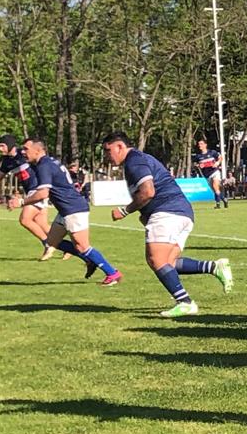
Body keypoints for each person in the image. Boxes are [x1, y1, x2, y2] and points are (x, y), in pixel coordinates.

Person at [102, 133, 233, 313]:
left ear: (119, 147)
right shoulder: (137, 160)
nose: (106, 156)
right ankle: (214, 266)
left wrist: (124, 211)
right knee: (169, 262)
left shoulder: (134, 161)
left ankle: (185, 303)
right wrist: (145, 214)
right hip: (182, 212)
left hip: (167, 211)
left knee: (156, 259)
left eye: (108, 151)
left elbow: (148, 192)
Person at [23, 137, 122, 283]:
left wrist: (21, 201)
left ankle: (112, 273)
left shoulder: (44, 165)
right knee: (51, 242)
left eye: (26, 149)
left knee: (83, 246)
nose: (23, 151)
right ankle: (90, 260)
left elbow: (43, 193)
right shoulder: (48, 162)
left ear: (38, 150)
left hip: (73, 208)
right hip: (65, 209)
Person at [0, 134, 67, 261]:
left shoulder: (25, 154)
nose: (0, 149)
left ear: (10, 145)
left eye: (2, 146)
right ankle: (69, 248)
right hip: (30, 191)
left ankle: (48, 245)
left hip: (38, 190)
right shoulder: (6, 162)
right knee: (44, 225)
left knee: (25, 220)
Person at [192, 139, 228, 209]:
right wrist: (198, 165)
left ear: (205, 145)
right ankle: (224, 199)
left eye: (201, 144)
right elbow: (195, 163)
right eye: (199, 144)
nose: (200, 145)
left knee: (215, 187)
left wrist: (217, 163)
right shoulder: (198, 156)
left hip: (215, 172)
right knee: (215, 190)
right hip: (207, 175)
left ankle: (218, 205)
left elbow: (220, 158)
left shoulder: (212, 152)